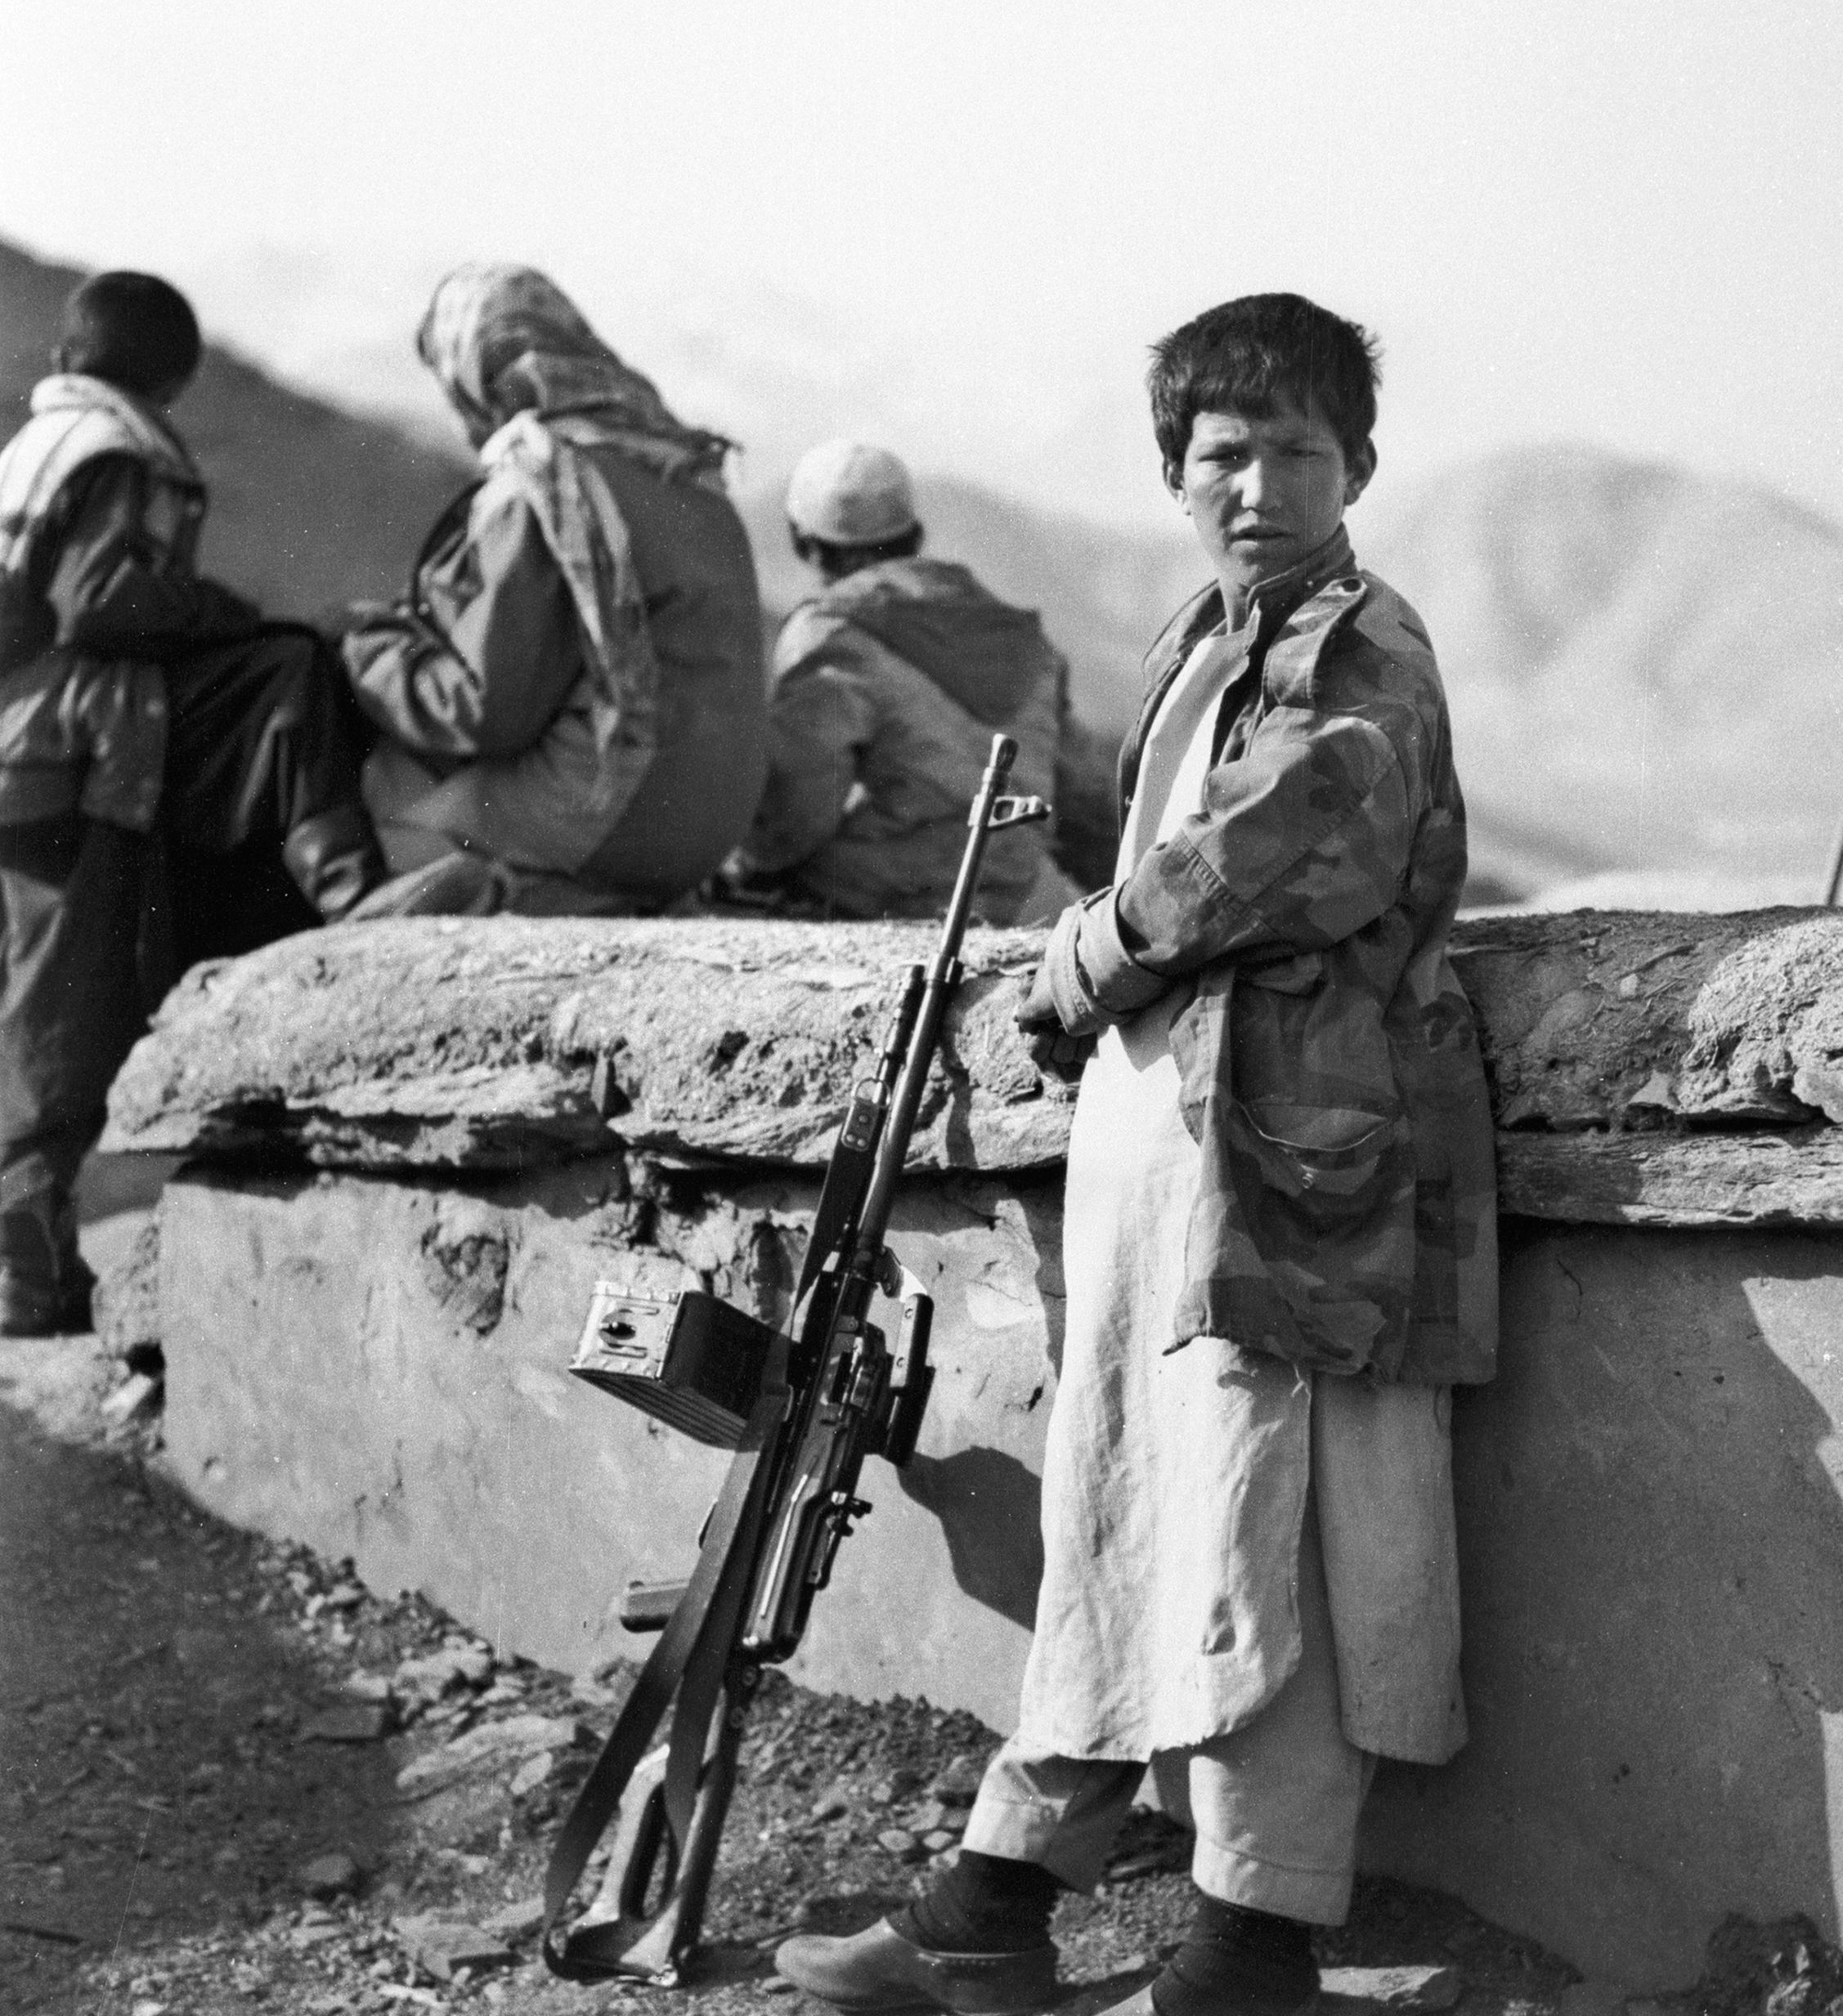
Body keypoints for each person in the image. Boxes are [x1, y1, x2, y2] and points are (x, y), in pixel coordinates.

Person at [777, 295, 1499, 2016]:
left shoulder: (1357, 648)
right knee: (1123, 1506)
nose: (1257, 484)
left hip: (1297, 1167)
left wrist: (1087, 951)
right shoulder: (1211, 630)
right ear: (1172, 468)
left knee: (1268, 1530)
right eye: (1222, 454)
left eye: (1296, 453)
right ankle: (997, 1894)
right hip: (1182, 1158)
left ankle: (1246, 1946)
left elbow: (1294, 842)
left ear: (1359, 467)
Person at [0, 271, 388, 1336]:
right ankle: (24, 1281)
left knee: (36, 999)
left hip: (20, 746)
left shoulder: (39, 443)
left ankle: (30, 1272)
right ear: (170, 377)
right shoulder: (119, 450)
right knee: (60, 1019)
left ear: (69, 357)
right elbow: (102, 599)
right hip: (74, 749)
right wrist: (222, 610)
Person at [324, 264, 766, 915]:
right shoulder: (689, 472)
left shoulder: (542, 486)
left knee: (385, 802)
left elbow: (482, 710)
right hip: (707, 830)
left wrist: (363, 644)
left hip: (617, 819)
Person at [723, 439, 1081, 921]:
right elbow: (1080, 787)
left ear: (802, 542)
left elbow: (796, 808)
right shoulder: (1016, 632)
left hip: (897, 890)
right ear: (915, 533)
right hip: (1018, 889)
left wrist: (748, 865)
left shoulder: (831, 632)